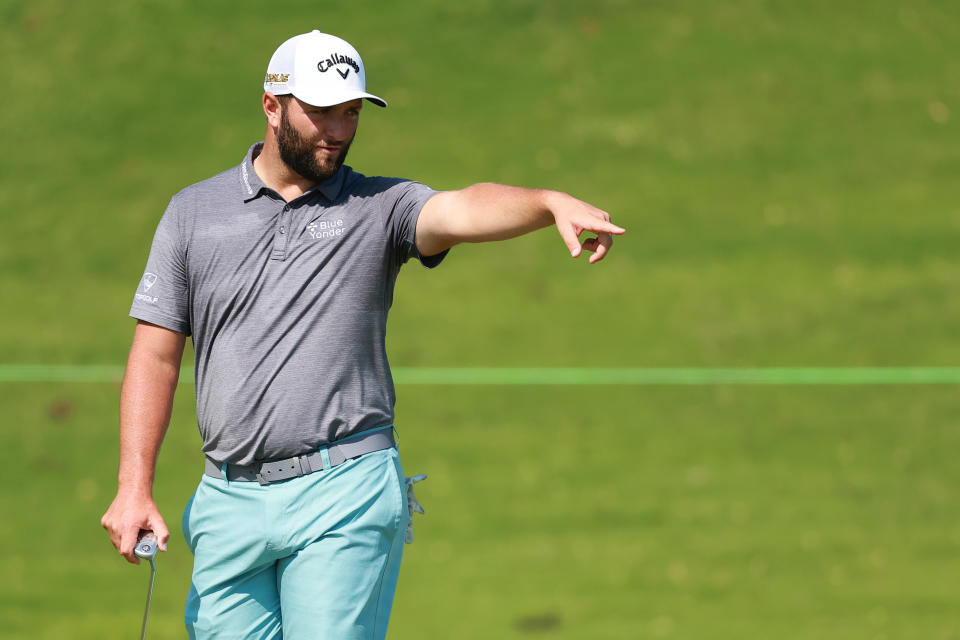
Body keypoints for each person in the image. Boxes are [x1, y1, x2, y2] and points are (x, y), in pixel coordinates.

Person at [101, 30, 625, 639]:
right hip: (228, 500)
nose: (339, 129)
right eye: (321, 110)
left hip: (343, 490)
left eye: (350, 111)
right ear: (272, 106)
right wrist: (133, 487)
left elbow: (462, 209)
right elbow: (156, 356)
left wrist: (545, 202)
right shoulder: (193, 213)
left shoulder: (380, 208)